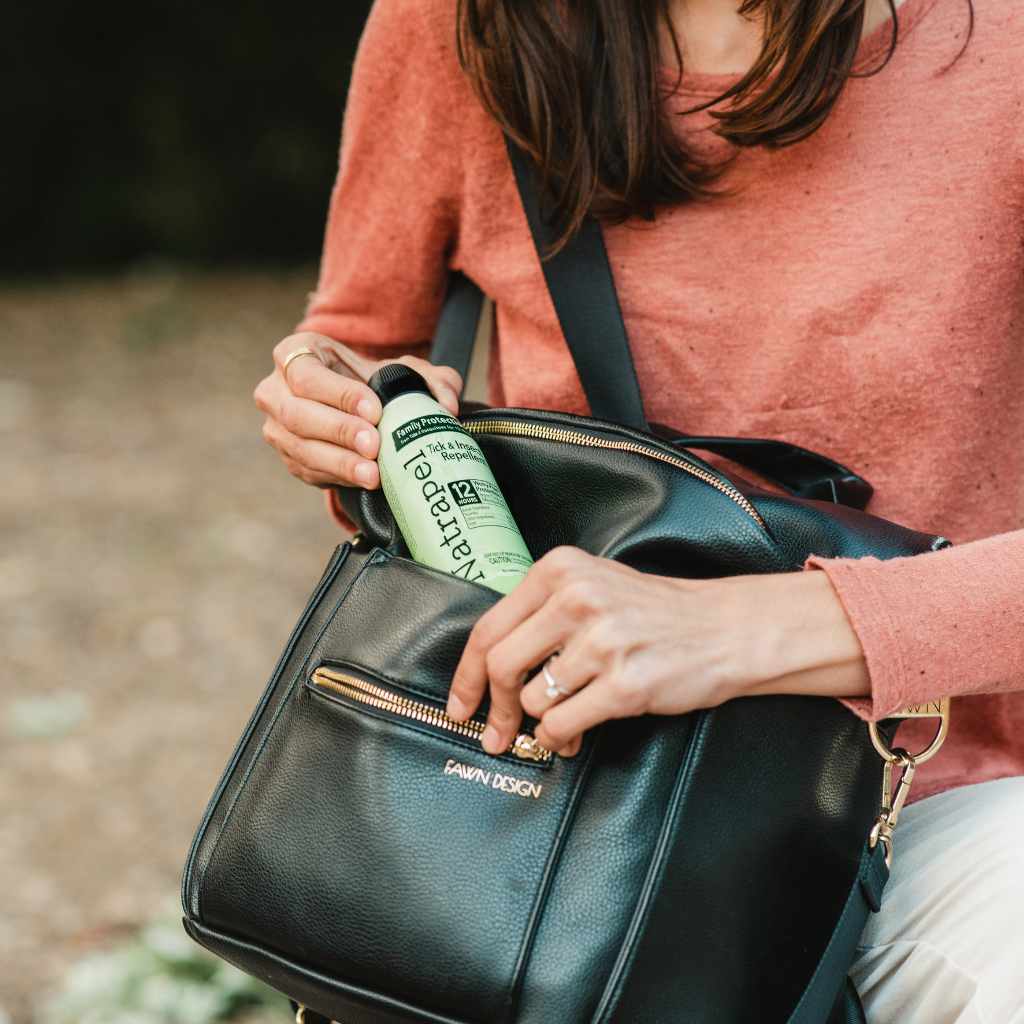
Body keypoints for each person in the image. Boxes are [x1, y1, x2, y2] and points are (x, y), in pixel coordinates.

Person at [252, 0, 1024, 1019]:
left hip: (941, 802)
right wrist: (338, 408)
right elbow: (358, 333)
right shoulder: (457, 21)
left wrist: (736, 630)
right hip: (550, 798)